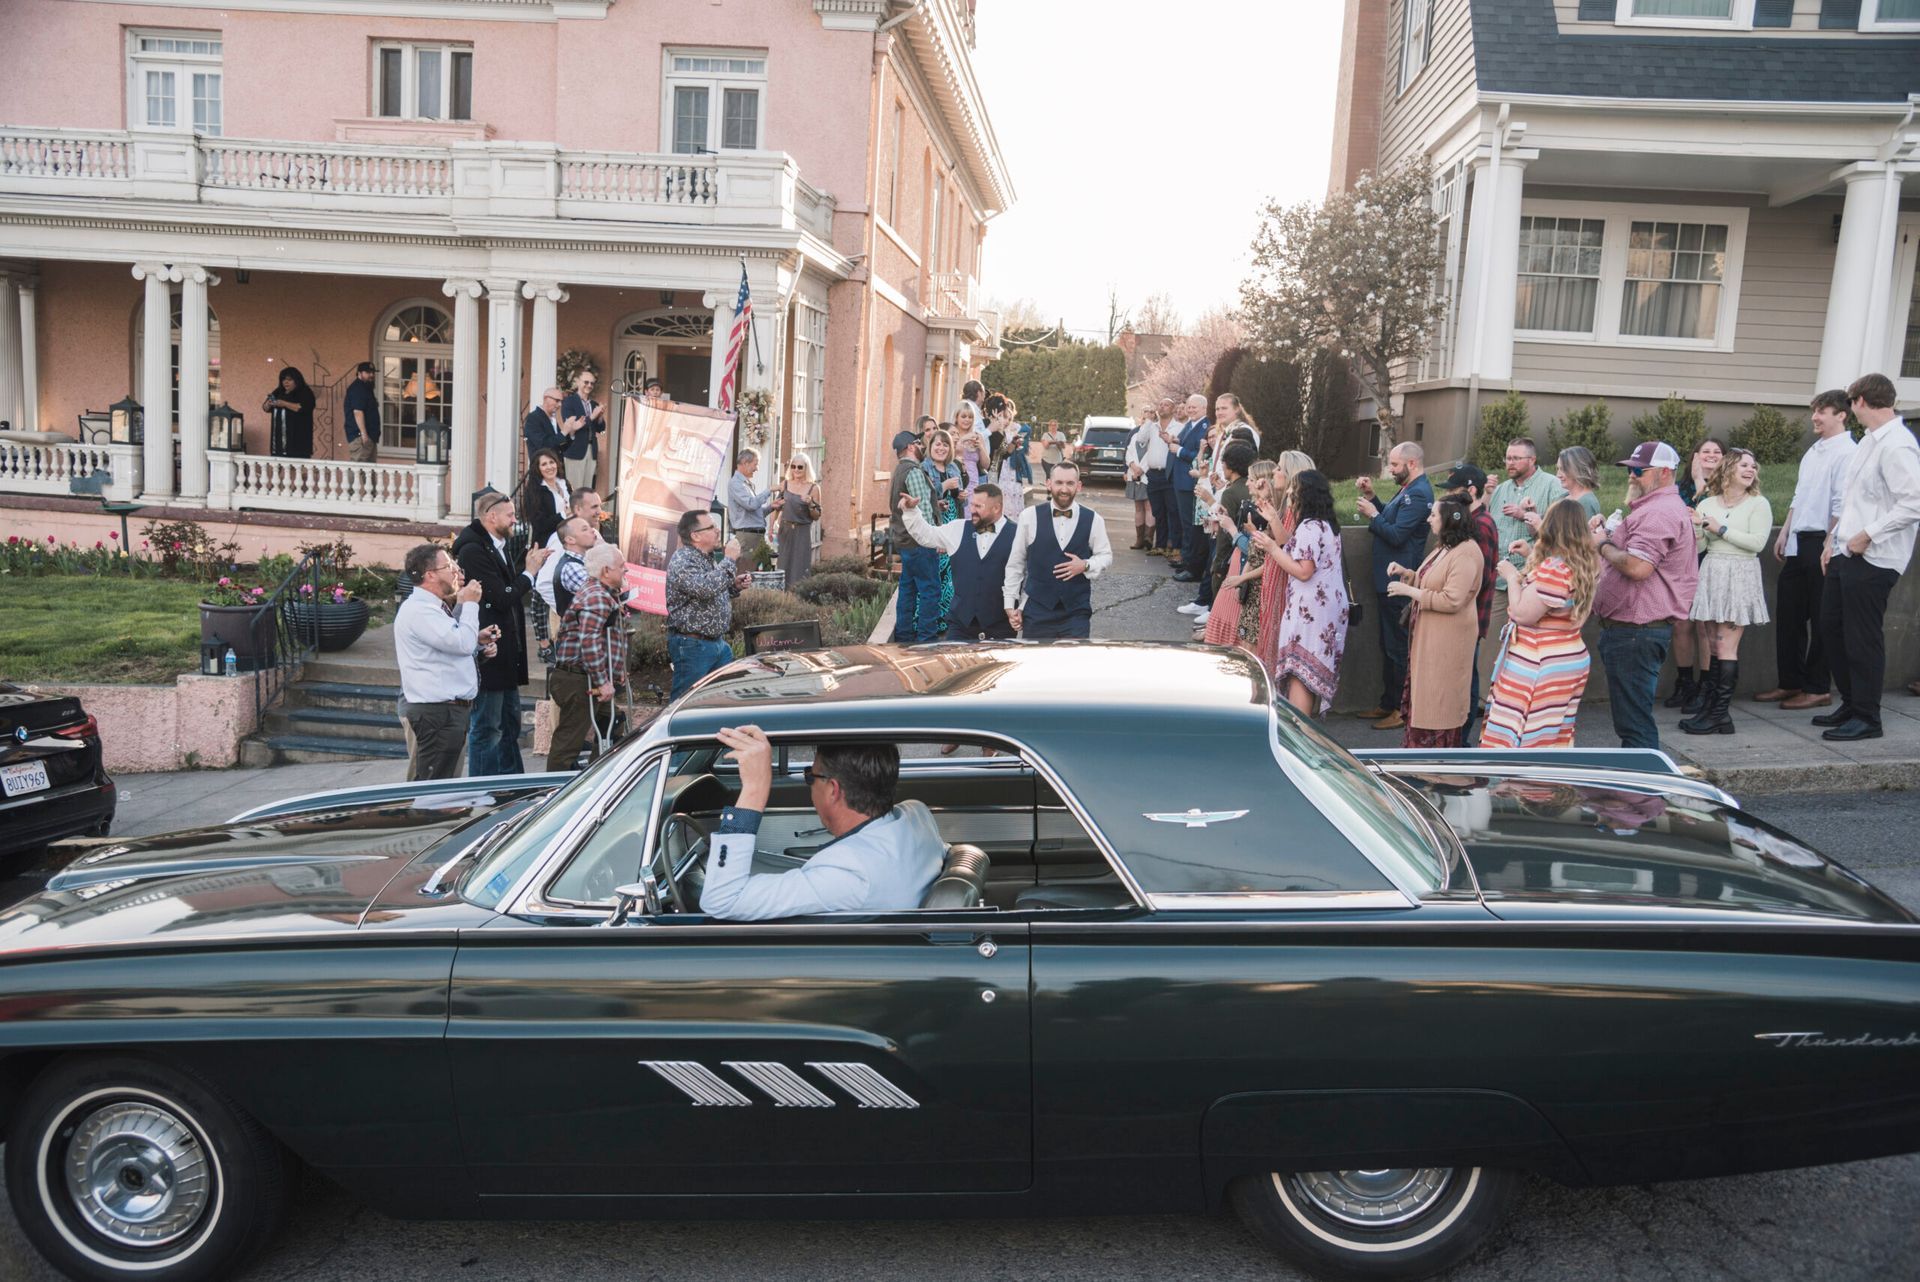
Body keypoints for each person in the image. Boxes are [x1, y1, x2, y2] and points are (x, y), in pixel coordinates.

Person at [699, 729, 943, 921]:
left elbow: (721, 900)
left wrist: (755, 788)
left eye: (809, 776)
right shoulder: (916, 815)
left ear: (833, 790)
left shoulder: (849, 875)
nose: (808, 783)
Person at [1814, 373, 1920, 743]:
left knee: (1862, 639)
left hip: (1876, 557)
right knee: (1831, 629)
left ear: (1859, 401)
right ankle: (1851, 703)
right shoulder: (1868, 443)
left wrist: (1867, 536)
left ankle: (1867, 718)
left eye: (1850, 403)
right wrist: (1833, 539)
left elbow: (1914, 503)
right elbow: (1853, 500)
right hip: (1846, 551)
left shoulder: (1898, 446)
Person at [1590, 441, 1699, 750]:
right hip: (1633, 633)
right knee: (1632, 721)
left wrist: (1600, 544)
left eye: (1638, 470)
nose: (1631, 476)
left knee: (1634, 726)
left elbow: (1638, 567)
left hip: (1636, 634)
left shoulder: (1658, 513)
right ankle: (1642, 792)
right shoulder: (1655, 509)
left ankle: (1647, 794)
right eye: (1630, 470)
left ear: (1664, 473)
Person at [1757, 389, 1856, 709]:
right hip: (1800, 542)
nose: (1815, 416)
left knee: (1822, 617)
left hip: (1824, 543)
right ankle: (1790, 682)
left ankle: (1817, 687)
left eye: (1823, 411)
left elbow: (1843, 504)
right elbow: (1800, 497)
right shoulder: (1814, 450)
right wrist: (1785, 533)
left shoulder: (1848, 452)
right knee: (1790, 616)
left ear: (1842, 414)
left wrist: (1830, 542)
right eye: (1814, 410)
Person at [1481, 499, 1598, 750]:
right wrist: (1530, 555)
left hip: (1539, 664)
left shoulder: (1554, 569)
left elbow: (1523, 613)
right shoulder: (1584, 564)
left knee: (1524, 735)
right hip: (1568, 656)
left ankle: (1520, 788)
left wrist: (1512, 577)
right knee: (1552, 731)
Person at [451, 492, 551, 776]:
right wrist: (530, 572)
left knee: (510, 725)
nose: (515, 520)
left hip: (506, 651)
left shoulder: (499, 545)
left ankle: (512, 788)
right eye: (510, 515)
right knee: (488, 728)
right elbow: (503, 597)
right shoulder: (473, 550)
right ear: (491, 516)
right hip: (489, 652)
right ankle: (482, 790)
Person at [1681, 448, 1771, 736]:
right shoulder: (1708, 503)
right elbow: (1703, 545)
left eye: (1753, 466)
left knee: (1725, 646)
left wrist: (1720, 529)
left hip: (1740, 574)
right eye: (1744, 464)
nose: (1750, 470)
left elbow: (1757, 543)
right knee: (1711, 644)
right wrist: (1695, 527)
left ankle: (1720, 714)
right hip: (1713, 573)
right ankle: (1710, 709)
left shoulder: (1758, 504)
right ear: (1729, 468)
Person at [1387, 496, 1485, 748]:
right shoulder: (1446, 547)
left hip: (1447, 644)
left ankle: (1438, 771)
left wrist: (1409, 592)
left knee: (1439, 703)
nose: (1429, 519)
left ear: (1450, 520)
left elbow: (1452, 599)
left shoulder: (1466, 552)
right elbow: (1430, 580)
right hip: (1430, 641)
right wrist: (1406, 573)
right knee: (1427, 698)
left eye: (1434, 515)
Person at [393, 542, 493, 780]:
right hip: (434, 714)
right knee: (430, 790)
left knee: (445, 788)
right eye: (448, 566)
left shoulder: (434, 608)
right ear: (430, 575)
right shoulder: (420, 610)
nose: (456, 571)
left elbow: (451, 645)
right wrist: (469, 604)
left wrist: (478, 641)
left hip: (447, 711)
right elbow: (461, 644)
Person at [1480, 438, 1567, 706]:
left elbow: (1560, 533)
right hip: (1501, 577)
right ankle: (1486, 700)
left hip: (1534, 580)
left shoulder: (1553, 486)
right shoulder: (1502, 489)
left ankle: (1523, 700)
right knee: (1489, 642)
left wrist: (1526, 515)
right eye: (1508, 458)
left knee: (1528, 645)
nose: (1510, 463)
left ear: (1532, 460)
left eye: (1517, 458)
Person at [1354, 442, 1434, 731]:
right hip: (1385, 580)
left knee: (1397, 647)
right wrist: (1373, 498)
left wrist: (1373, 517)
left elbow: (1397, 535)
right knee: (1387, 645)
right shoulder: (1408, 490)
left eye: (1395, 464)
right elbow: (1390, 516)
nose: (1390, 468)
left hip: (1399, 581)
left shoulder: (1420, 492)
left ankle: (1401, 710)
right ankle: (1388, 702)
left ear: (1412, 463)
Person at [1270, 469, 1348, 718]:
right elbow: (1294, 546)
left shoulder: (1310, 527)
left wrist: (1272, 548)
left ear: (1305, 494)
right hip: (1327, 609)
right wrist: (1273, 518)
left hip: (1310, 612)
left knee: (1300, 672)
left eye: (1295, 489)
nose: (1290, 493)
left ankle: (1298, 734)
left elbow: (1304, 571)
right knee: (1308, 671)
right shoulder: (1327, 526)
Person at [1004, 461, 1112, 640]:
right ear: (1048, 483)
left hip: (1076, 612)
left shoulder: (1094, 519)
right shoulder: (1029, 517)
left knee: (1073, 665)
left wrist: (1085, 565)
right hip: (1037, 611)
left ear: (1079, 486)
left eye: (1070, 483)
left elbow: (1106, 555)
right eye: (1059, 482)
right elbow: (1016, 563)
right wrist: (1010, 604)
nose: (1064, 489)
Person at [546, 542, 629, 773]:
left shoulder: (601, 592)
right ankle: (551, 792)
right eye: (621, 566)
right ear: (605, 570)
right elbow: (589, 641)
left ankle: (595, 777)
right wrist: (603, 681)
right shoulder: (596, 597)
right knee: (569, 740)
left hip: (583, 677)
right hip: (579, 680)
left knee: (613, 722)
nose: (626, 570)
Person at [901, 482, 1017, 640]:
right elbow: (926, 535)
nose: (972, 510)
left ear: (996, 508)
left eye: (978, 506)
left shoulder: (1018, 534)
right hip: (961, 626)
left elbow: (1032, 575)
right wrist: (910, 511)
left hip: (1001, 628)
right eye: (972, 504)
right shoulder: (958, 528)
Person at [1666, 437, 1726, 711]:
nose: (1711, 455)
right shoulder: (1680, 489)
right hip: (1684, 559)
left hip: (1711, 559)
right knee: (1681, 623)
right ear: (1695, 456)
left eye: (1717, 452)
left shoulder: (1728, 488)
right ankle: (1685, 682)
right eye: (1706, 451)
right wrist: (1695, 484)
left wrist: (1703, 485)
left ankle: (1705, 685)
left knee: (1704, 625)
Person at [666, 509, 750, 700]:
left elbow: (709, 594)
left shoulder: (705, 558)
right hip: (693, 645)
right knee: (686, 702)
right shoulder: (683, 560)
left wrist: (733, 586)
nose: (718, 531)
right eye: (712, 527)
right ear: (695, 535)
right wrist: (729, 560)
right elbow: (703, 589)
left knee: (722, 698)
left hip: (716, 644)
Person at [1445, 464, 1500, 742]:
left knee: (1465, 680)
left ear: (1471, 491)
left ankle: (1461, 740)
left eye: (1453, 492)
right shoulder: (1472, 521)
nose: (1448, 499)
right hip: (1464, 616)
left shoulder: (1481, 525)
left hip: (1470, 617)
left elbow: (1477, 581)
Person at [1184, 440, 1256, 628]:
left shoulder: (1231, 493)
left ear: (1230, 466)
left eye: (1223, 463)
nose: (1222, 467)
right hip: (1246, 550)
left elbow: (1226, 529)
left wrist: (1218, 562)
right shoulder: (1242, 487)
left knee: (1224, 600)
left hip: (1232, 553)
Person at [888, 430, 941, 644]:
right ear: (911, 446)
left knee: (908, 590)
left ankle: (904, 638)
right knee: (930, 591)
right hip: (920, 541)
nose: (922, 446)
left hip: (905, 541)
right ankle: (927, 641)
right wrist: (935, 539)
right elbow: (923, 511)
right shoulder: (914, 471)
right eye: (919, 442)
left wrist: (938, 505)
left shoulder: (899, 470)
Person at [920, 428, 966, 634]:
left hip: (951, 523)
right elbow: (923, 501)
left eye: (945, 444)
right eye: (937, 444)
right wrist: (943, 487)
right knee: (933, 574)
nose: (941, 448)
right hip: (934, 525)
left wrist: (960, 496)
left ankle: (945, 621)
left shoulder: (954, 468)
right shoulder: (924, 468)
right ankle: (926, 622)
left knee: (950, 576)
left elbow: (957, 497)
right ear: (930, 447)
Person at [1170, 394, 1210, 582]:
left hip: (1190, 481)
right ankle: (1186, 558)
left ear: (1204, 408)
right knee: (1184, 523)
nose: (1191, 410)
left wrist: (1179, 450)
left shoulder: (1204, 427)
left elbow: (1199, 454)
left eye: (1195, 407)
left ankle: (1191, 565)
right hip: (1181, 480)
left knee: (1191, 525)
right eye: (1189, 407)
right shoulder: (1190, 424)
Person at [776, 454, 821, 591]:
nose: (796, 470)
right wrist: (771, 527)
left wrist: (810, 503)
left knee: (800, 565)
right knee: (783, 563)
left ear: (806, 468)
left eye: (800, 467)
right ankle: (781, 597)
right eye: (793, 466)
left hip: (802, 531)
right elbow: (776, 507)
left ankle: (798, 595)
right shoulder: (785, 484)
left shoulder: (813, 488)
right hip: (785, 529)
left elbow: (817, 515)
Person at [558, 369, 607, 493]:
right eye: (586, 382)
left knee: (587, 490)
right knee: (574, 490)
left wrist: (600, 417)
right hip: (575, 450)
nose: (589, 385)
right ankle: (573, 513)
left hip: (591, 450)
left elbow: (601, 429)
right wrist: (592, 416)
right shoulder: (569, 402)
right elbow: (572, 426)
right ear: (578, 382)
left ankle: (585, 513)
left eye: (592, 383)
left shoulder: (594, 404)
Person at [725, 449, 776, 564]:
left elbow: (754, 513)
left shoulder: (745, 483)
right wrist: (769, 490)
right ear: (745, 463)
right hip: (747, 537)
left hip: (754, 536)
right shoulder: (736, 483)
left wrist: (772, 507)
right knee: (747, 572)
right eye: (755, 464)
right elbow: (751, 504)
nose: (757, 468)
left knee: (756, 573)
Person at [1144, 398, 1179, 558]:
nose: (1161, 407)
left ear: (1173, 409)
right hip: (1153, 475)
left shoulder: (1179, 427)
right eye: (1160, 404)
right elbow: (1139, 439)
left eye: (1166, 405)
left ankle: (1174, 546)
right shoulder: (1151, 427)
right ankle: (1160, 545)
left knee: (1172, 510)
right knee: (1158, 511)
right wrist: (1148, 421)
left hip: (1169, 474)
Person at [523, 448, 571, 550]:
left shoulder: (564, 483)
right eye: (544, 464)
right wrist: (563, 514)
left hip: (571, 537)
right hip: (548, 542)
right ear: (537, 468)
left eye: (552, 462)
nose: (549, 467)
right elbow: (539, 524)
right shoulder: (534, 490)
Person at [262, 367, 315, 459]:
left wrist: (284, 404)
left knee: (297, 469)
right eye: (283, 379)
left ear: (297, 380)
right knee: (277, 467)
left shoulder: (305, 391)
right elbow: (265, 408)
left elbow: (302, 407)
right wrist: (269, 403)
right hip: (278, 443)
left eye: (289, 380)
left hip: (297, 443)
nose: (285, 382)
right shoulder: (278, 391)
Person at [1551, 446, 1603, 524]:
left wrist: (1539, 525)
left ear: (1578, 470)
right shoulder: (1564, 496)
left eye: (1563, 469)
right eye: (1558, 469)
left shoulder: (1586, 503)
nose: (1558, 475)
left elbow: (1580, 535)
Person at [342, 361, 380, 462]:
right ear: (359, 373)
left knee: (368, 470)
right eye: (368, 372)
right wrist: (364, 434)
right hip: (361, 437)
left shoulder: (366, 388)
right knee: (358, 469)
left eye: (372, 372)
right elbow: (358, 412)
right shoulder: (358, 388)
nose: (371, 375)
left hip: (369, 437)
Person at [521, 387, 571, 462]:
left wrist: (572, 432)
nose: (560, 404)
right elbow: (543, 445)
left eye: (561, 401)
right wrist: (563, 432)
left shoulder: (552, 419)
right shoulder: (533, 418)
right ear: (545, 398)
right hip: (541, 469)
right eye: (557, 400)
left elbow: (561, 447)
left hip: (557, 469)